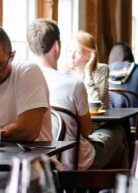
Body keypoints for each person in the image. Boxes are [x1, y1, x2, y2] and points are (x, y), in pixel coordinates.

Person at [27, 20, 124, 169]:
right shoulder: (73, 84)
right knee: (120, 131)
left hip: (38, 160)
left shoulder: (24, 82)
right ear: (57, 47)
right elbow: (85, 131)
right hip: (74, 159)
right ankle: (114, 186)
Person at [64, 31, 110, 109]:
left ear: (89, 55)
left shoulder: (101, 70)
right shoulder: (66, 72)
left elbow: (95, 106)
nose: (71, 56)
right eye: (70, 51)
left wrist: (88, 72)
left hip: (99, 120)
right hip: (74, 118)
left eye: (77, 52)